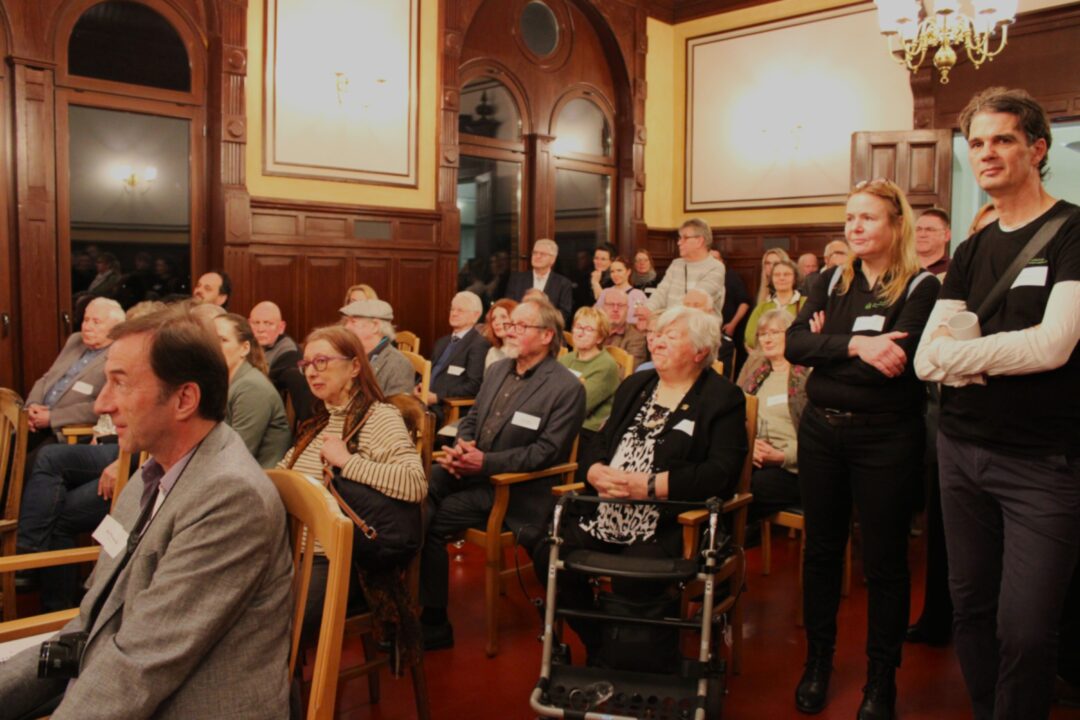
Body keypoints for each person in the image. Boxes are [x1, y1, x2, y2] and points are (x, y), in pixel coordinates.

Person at [0, 308, 294, 719]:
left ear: (184, 399)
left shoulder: (230, 497)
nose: (102, 403)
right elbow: (90, 625)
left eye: (120, 383)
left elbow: (138, 664)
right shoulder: (149, 474)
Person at [914, 87, 1080, 720]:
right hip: (960, 453)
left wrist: (964, 358)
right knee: (971, 608)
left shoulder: (1073, 231)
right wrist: (970, 358)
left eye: (1003, 139)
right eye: (977, 143)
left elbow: (1053, 345)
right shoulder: (972, 249)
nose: (986, 153)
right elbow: (926, 358)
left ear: (1036, 149)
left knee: (1028, 628)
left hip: (1044, 463)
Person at [786, 178, 939, 719]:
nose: (854, 227)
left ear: (896, 223)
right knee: (822, 552)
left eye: (868, 217)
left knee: (885, 563)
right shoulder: (829, 279)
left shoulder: (921, 286)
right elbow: (794, 344)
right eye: (850, 217)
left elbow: (893, 368)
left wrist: (826, 350)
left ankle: (880, 680)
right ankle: (818, 663)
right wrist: (856, 344)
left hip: (887, 437)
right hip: (821, 432)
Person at [537, 305, 746, 665]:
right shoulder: (635, 385)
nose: (656, 342)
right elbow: (598, 443)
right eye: (656, 334)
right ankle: (600, 641)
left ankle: (629, 654)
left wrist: (650, 486)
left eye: (670, 336)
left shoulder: (722, 398)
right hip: (606, 510)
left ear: (700, 352)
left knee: (633, 577)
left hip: (669, 521)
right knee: (547, 550)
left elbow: (721, 474)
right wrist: (595, 472)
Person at [419, 298, 585, 650]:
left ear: (547, 336)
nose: (510, 331)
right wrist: (463, 446)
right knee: (418, 486)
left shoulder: (566, 387)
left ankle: (433, 621)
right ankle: (403, 596)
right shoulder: (497, 370)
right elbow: (472, 419)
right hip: (473, 469)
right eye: (510, 324)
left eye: (521, 326)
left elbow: (546, 453)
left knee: (430, 520)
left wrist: (485, 463)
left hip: (515, 490)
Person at [281, 325, 427, 656]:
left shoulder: (379, 417)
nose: (312, 372)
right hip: (292, 551)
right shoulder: (319, 421)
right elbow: (284, 475)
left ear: (355, 366)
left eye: (322, 361)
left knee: (273, 627)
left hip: (340, 560)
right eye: (306, 364)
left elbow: (414, 484)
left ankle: (284, 688)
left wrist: (347, 462)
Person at [736, 309, 808, 523]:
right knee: (720, 476)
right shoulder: (756, 375)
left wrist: (781, 456)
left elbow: (818, 437)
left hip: (795, 467)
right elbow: (735, 416)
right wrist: (750, 445)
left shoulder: (807, 377)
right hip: (754, 459)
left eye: (774, 332)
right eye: (762, 334)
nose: (767, 339)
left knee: (751, 488)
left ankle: (724, 536)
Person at [24, 297, 126, 445]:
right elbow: (47, 378)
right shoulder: (75, 340)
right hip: (36, 422)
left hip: (65, 431)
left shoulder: (118, 356)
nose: (87, 327)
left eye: (96, 322)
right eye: (86, 320)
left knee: (34, 458)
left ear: (115, 328)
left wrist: (52, 418)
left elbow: (101, 406)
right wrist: (32, 406)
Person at [213, 313, 292, 468]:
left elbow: (236, 455)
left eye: (222, 340)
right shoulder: (223, 383)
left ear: (244, 348)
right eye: (210, 339)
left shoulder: (251, 387)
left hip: (260, 478)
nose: (213, 346)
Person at [419, 291, 490, 426]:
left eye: (460, 310)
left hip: (446, 407)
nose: (454, 313)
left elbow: (474, 385)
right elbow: (429, 370)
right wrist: (418, 386)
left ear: (475, 316)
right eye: (452, 309)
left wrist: (438, 397)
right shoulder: (442, 342)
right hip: (423, 400)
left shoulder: (478, 344)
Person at [248, 300, 313, 427]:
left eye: (268, 323)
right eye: (256, 323)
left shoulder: (288, 352)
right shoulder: (244, 345)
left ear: (281, 327)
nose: (261, 329)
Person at [559, 307, 620, 442]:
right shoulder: (566, 359)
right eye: (578, 327)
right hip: (562, 421)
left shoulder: (605, 365)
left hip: (588, 432)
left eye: (588, 329)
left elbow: (580, 405)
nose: (580, 333)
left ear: (600, 338)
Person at [643, 219, 725, 318]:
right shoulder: (676, 264)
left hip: (698, 326)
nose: (679, 242)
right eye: (680, 238)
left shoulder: (716, 268)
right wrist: (647, 309)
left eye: (685, 238)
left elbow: (693, 302)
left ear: (699, 241)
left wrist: (666, 318)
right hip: (671, 323)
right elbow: (661, 292)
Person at [341, 298, 416, 397]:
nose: (346, 327)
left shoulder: (399, 365)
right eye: (347, 321)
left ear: (375, 326)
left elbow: (398, 406)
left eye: (353, 322)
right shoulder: (350, 355)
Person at [504, 238, 574, 327]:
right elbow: (508, 306)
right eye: (535, 253)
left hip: (547, 329)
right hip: (519, 328)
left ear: (553, 259)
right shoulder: (517, 279)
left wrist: (544, 304)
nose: (537, 256)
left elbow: (564, 315)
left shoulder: (563, 283)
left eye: (542, 254)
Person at [745, 258, 806, 351]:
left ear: (795, 278)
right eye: (777, 275)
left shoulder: (806, 303)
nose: (782, 278)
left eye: (787, 274)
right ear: (772, 279)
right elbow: (750, 337)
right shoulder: (762, 307)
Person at [600, 288, 648, 369]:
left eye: (620, 305)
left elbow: (628, 372)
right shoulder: (594, 330)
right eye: (611, 304)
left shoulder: (636, 338)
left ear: (627, 309)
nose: (615, 309)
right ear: (603, 307)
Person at [594, 256, 648, 325]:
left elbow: (641, 318)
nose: (615, 274)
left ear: (628, 272)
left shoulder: (637, 295)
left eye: (619, 270)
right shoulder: (605, 292)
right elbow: (596, 315)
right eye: (612, 271)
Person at [481, 298, 517, 370]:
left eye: (503, 317)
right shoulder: (492, 353)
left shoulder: (523, 351)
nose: (496, 322)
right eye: (493, 319)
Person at [915, 208, 952, 276]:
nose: (922, 235)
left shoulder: (954, 269)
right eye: (918, 229)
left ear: (947, 235)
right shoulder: (900, 267)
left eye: (929, 230)